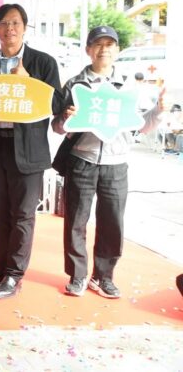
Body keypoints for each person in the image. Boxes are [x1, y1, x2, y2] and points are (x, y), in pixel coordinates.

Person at [52, 26, 164, 299]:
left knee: (112, 221)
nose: (104, 49)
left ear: (117, 50)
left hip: (117, 163)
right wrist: (66, 118)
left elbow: (142, 125)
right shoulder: (75, 85)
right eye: (98, 44)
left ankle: (103, 277)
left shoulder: (129, 86)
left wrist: (159, 110)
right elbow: (57, 127)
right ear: (88, 50)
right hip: (82, 160)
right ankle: (77, 276)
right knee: (76, 221)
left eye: (109, 44)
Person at [0, 3, 62, 299]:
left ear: (24, 27)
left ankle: (14, 274)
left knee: (23, 215)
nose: (9, 28)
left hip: (29, 151)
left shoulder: (43, 62)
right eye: (3, 23)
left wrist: (28, 83)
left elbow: (57, 104)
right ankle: (0, 268)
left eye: (14, 23)